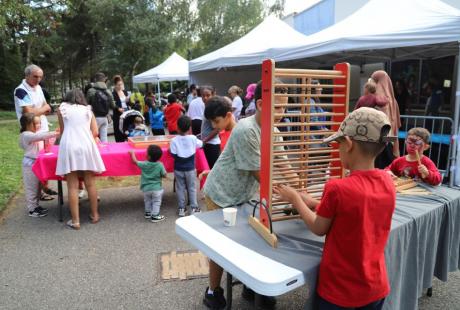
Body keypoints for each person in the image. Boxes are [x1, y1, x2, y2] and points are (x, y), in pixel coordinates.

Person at [275, 107, 397, 310]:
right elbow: (352, 210)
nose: (338, 149)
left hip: (340, 291)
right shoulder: (387, 181)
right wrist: (313, 203)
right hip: (375, 286)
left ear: (348, 144)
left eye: (338, 145)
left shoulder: (337, 188)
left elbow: (318, 227)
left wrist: (295, 199)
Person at [202, 81, 287, 309]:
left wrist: (301, 184)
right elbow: (261, 176)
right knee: (220, 245)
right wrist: (298, 198)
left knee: (251, 238)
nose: (282, 113)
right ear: (260, 104)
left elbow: (285, 167)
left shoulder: (274, 131)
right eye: (278, 108)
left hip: (244, 195)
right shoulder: (246, 130)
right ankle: (213, 291)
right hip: (220, 194)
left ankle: (251, 286)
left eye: (284, 108)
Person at [56, 89, 105, 230]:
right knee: (90, 183)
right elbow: (95, 132)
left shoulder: (62, 109)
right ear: (82, 98)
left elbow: (63, 130)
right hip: (86, 145)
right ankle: (95, 215)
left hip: (69, 144)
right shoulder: (88, 110)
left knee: (72, 186)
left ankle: (76, 221)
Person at [14, 64, 56, 199]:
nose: (38, 79)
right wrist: (42, 109)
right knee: (35, 159)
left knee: (44, 156)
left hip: (43, 127)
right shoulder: (20, 91)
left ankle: (44, 187)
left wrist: (39, 109)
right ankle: (39, 193)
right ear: (27, 76)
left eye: (40, 77)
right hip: (31, 130)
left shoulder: (38, 88)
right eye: (35, 76)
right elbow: (29, 112)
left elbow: (47, 107)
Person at [19, 113, 60, 217]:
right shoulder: (26, 135)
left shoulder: (33, 134)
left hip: (35, 163)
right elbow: (41, 136)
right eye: (36, 123)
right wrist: (55, 133)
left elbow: (43, 139)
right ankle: (32, 209)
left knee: (37, 187)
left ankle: (36, 206)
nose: (39, 125)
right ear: (28, 124)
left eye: (39, 123)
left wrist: (54, 135)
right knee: (31, 188)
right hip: (29, 164)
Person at [170, 116, 203, 216]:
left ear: (177, 127)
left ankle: (182, 208)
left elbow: (173, 154)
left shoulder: (174, 140)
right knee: (192, 187)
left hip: (178, 168)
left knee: (180, 188)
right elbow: (201, 144)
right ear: (189, 128)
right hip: (190, 169)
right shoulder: (193, 138)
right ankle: (194, 208)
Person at [129, 145, 167, 222]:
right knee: (156, 202)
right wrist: (162, 175)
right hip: (156, 189)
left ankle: (148, 213)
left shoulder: (144, 164)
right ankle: (155, 216)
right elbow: (164, 175)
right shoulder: (160, 165)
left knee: (147, 200)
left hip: (146, 188)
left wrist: (132, 153)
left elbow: (134, 161)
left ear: (148, 156)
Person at [371, 70, 401, 161]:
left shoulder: (377, 97)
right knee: (389, 159)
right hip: (391, 135)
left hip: (379, 136)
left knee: (380, 160)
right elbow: (397, 121)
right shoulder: (392, 99)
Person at [86, 72, 118, 143]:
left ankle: (93, 153)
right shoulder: (108, 91)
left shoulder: (90, 91)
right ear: (104, 80)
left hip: (94, 118)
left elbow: (86, 105)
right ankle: (104, 152)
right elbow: (113, 106)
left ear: (95, 79)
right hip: (105, 117)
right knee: (104, 139)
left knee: (93, 138)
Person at [200, 85, 221, 169]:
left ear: (213, 95)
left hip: (212, 145)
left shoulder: (212, 109)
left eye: (208, 95)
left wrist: (204, 140)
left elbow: (217, 129)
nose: (205, 98)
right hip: (208, 144)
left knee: (212, 170)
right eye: (203, 95)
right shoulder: (207, 107)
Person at [112, 75, 130, 142]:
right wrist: (118, 108)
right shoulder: (113, 94)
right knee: (118, 132)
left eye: (121, 84)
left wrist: (128, 101)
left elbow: (129, 103)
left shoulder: (125, 92)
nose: (120, 86)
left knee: (126, 130)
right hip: (118, 115)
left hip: (126, 113)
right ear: (115, 85)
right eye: (118, 85)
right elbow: (112, 104)